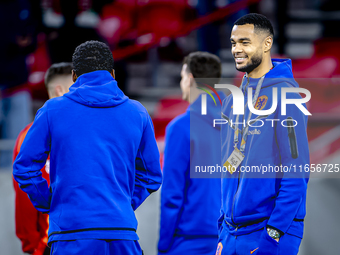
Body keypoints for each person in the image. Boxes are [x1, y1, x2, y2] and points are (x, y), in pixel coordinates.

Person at [13, 40, 162, 255]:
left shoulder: (52, 111)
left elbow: (24, 168)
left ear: (74, 76)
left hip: (70, 235)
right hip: (122, 235)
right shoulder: (138, 113)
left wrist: (49, 201)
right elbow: (151, 176)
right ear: (113, 74)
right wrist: (122, 203)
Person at [216, 13, 309, 255]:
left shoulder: (287, 97)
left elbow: (296, 171)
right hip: (230, 234)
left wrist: (274, 234)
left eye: (245, 42)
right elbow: (226, 169)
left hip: (268, 234)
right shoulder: (231, 102)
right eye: (234, 42)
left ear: (266, 44)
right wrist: (222, 229)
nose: (237, 49)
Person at [158, 52, 226, 255]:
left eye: (182, 76)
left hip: (188, 240)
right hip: (227, 239)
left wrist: (163, 245)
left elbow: (172, 193)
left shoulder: (180, 127)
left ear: (190, 79)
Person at [12, 62, 73, 255]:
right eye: (77, 88)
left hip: (91, 240)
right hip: (51, 243)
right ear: (59, 90)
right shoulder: (30, 136)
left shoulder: (87, 131)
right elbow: (24, 197)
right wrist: (35, 247)